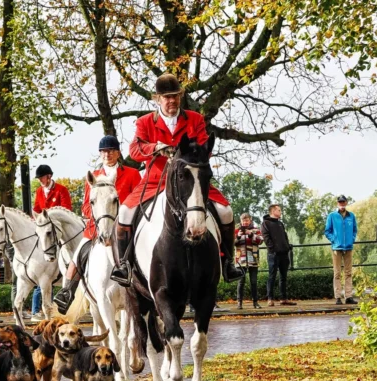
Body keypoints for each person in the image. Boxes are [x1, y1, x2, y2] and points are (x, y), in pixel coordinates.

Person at [116, 73, 242, 287]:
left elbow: (204, 147)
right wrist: (154, 148)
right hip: (157, 182)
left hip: (190, 182)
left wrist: (187, 155)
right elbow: (135, 150)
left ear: (180, 97)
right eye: (166, 97)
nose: (171, 101)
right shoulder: (145, 122)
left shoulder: (194, 119)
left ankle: (228, 261)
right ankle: (124, 264)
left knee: (226, 211)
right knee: (124, 213)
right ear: (158, 99)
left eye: (175, 96)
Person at [52, 135, 141, 313]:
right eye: (103, 151)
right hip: (97, 227)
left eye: (110, 151)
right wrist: (98, 216)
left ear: (118, 153)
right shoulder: (93, 176)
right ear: (100, 154)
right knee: (78, 254)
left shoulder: (132, 174)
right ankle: (67, 292)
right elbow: (86, 206)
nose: (107, 154)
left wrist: (119, 212)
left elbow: (137, 200)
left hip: (124, 226)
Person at [325, 195, 358, 305]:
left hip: (348, 247)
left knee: (348, 273)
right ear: (337, 203)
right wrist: (334, 240)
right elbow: (327, 231)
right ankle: (338, 297)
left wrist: (351, 239)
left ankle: (348, 296)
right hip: (337, 248)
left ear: (346, 202)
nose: (342, 203)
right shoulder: (332, 216)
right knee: (337, 273)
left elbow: (354, 230)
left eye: (343, 202)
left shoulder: (351, 216)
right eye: (340, 202)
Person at [260, 204, 295, 307]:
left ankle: (283, 298)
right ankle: (270, 298)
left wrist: (287, 246)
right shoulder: (265, 223)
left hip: (284, 253)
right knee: (272, 276)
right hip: (274, 254)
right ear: (273, 211)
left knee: (283, 277)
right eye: (279, 210)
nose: (280, 212)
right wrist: (273, 249)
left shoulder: (280, 223)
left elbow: (285, 236)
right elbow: (266, 238)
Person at [234, 213, 262, 309]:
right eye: (243, 221)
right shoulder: (236, 230)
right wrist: (237, 236)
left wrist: (251, 234)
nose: (245, 222)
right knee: (241, 282)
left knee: (253, 282)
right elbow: (231, 243)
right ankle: (239, 303)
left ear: (250, 220)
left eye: (247, 220)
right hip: (240, 260)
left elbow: (261, 241)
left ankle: (255, 303)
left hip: (253, 259)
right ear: (241, 221)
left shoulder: (256, 230)